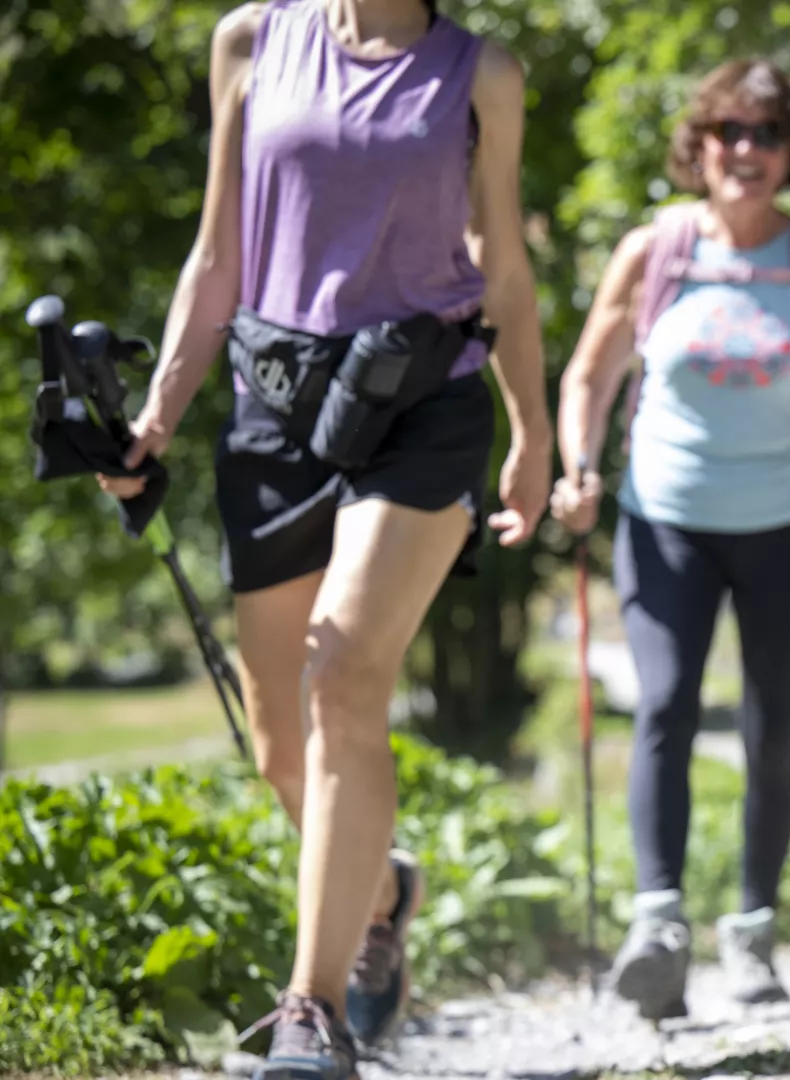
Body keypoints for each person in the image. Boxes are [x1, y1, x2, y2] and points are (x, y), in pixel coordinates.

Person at [94, 0, 550, 1074]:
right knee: (279, 745)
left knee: (342, 676)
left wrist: (532, 430)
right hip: (276, 405)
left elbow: (500, 262)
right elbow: (218, 255)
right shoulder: (249, 42)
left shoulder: (480, 74)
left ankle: (313, 1012)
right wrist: (157, 416)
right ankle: (383, 892)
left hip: (422, 401)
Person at [548, 59, 790, 1018]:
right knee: (663, 706)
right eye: (727, 131)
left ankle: (752, 936)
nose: (746, 149)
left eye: (767, 133)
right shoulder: (655, 250)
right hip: (667, 518)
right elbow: (589, 377)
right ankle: (658, 927)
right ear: (697, 146)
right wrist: (577, 469)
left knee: (772, 726)